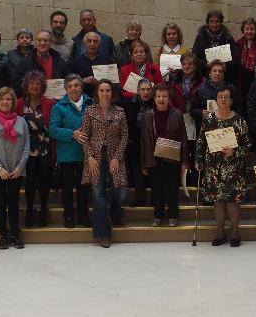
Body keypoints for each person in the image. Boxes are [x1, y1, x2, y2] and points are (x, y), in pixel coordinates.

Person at [195, 86, 251, 247]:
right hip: (213, 168)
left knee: (233, 202)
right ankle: (220, 232)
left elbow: (248, 144)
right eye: (220, 97)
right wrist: (198, 160)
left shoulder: (239, 120)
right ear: (216, 100)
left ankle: (235, 233)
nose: (224, 100)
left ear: (232, 101)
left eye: (227, 97)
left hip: (233, 168)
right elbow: (200, 142)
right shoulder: (208, 120)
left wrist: (236, 151)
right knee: (218, 202)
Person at [80, 79, 128, 248]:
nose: (105, 93)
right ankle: (103, 234)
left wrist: (117, 157)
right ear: (97, 93)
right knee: (98, 195)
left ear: (112, 93)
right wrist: (90, 157)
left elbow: (124, 137)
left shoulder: (120, 112)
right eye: (101, 90)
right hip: (95, 159)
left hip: (115, 157)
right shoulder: (90, 111)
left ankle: (115, 211)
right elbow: (84, 136)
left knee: (120, 191)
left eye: (108, 90)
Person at [0, 87, 30, 250]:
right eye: (2, 99)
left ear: (13, 101)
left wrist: (19, 167)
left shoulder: (22, 121)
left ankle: (15, 234)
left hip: (16, 170)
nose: (5, 102)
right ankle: (3, 235)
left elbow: (26, 147)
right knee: (0, 204)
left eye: (8, 99)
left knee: (14, 203)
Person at [140, 84, 189, 226]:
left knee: (172, 188)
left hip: (172, 158)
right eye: (158, 96)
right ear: (154, 98)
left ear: (169, 98)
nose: (161, 99)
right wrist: (143, 163)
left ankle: (173, 215)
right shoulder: (146, 116)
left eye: (164, 96)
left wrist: (185, 161)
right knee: (156, 189)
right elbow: (143, 141)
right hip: (153, 159)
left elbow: (184, 139)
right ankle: (158, 215)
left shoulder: (177, 114)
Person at [48, 74, 92, 228]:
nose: (73, 88)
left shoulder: (91, 104)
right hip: (66, 154)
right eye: (70, 86)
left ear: (82, 87)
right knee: (67, 187)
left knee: (84, 187)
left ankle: (83, 214)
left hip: (87, 154)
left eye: (76, 85)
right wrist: (72, 134)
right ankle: (68, 215)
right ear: (66, 89)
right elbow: (53, 129)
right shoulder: (59, 107)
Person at [16, 71, 57, 228]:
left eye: (37, 83)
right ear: (26, 85)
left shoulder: (50, 103)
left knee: (44, 180)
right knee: (30, 181)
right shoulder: (19, 103)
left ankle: (44, 209)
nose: (34, 86)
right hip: (26, 149)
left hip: (45, 147)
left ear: (42, 86)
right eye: (31, 83)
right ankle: (30, 210)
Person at [125, 79, 153, 207]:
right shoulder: (129, 104)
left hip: (152, 143)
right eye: (143, 89)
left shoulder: (155, 103)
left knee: (153, 172)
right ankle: (139, 198)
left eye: (148, 89)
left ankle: (155, 198)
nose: (146, 92)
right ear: (137, 91)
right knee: (137, 172)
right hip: (135, 143)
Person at [191, 9, 240, 76]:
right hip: (204, 76)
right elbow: (194, 57)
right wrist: (206, 64)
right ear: (208, 22)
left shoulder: (228, 38)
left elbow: (235, 58)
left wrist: (224, 66)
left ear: (221, 22)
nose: (214, 24)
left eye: (217, 21)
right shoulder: (200, 37)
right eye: (211, 21)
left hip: (224, 76)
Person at [69, 31, 115, 97]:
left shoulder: (108, 60)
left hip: (103, 98)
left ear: (99, 44)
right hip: (82, 98)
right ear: (84, 43)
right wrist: (83, 80)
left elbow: (113, 82)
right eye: (89, 41)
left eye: (95, 41)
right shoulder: (76, 61)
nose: (92, 44)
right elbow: (70, 81)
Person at [235, 17, 256, 103]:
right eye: (246, 29)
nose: (249, 31)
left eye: (252, 29)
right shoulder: (237, 44)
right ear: (243, 30)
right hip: (240, 80)